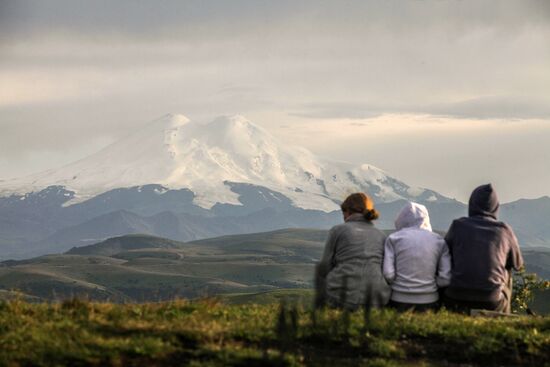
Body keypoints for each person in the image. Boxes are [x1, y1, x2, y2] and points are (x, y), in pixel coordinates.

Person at [443, 184, 524, 314]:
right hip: (492, 299)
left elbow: (444, 253)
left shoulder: (457, 226)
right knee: (507, 270)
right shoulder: (504, 230)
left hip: (456, 295)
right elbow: (518, 264)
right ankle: (503, 317)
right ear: (495, 207)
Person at [315, 192, 391, 310]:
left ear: (347, 211)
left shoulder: (338, 230)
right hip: (376, 299)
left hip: (341, 297)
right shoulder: (381, 235)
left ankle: (319, 314)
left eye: (343, 213)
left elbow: (325, 266)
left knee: (319, 269)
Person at [383, 202, 451, 312]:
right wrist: (430, 283)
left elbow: (388, 274)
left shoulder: (393, 239)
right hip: (429, 300)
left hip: (398, 299)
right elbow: (445, 279)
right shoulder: (438, 241)